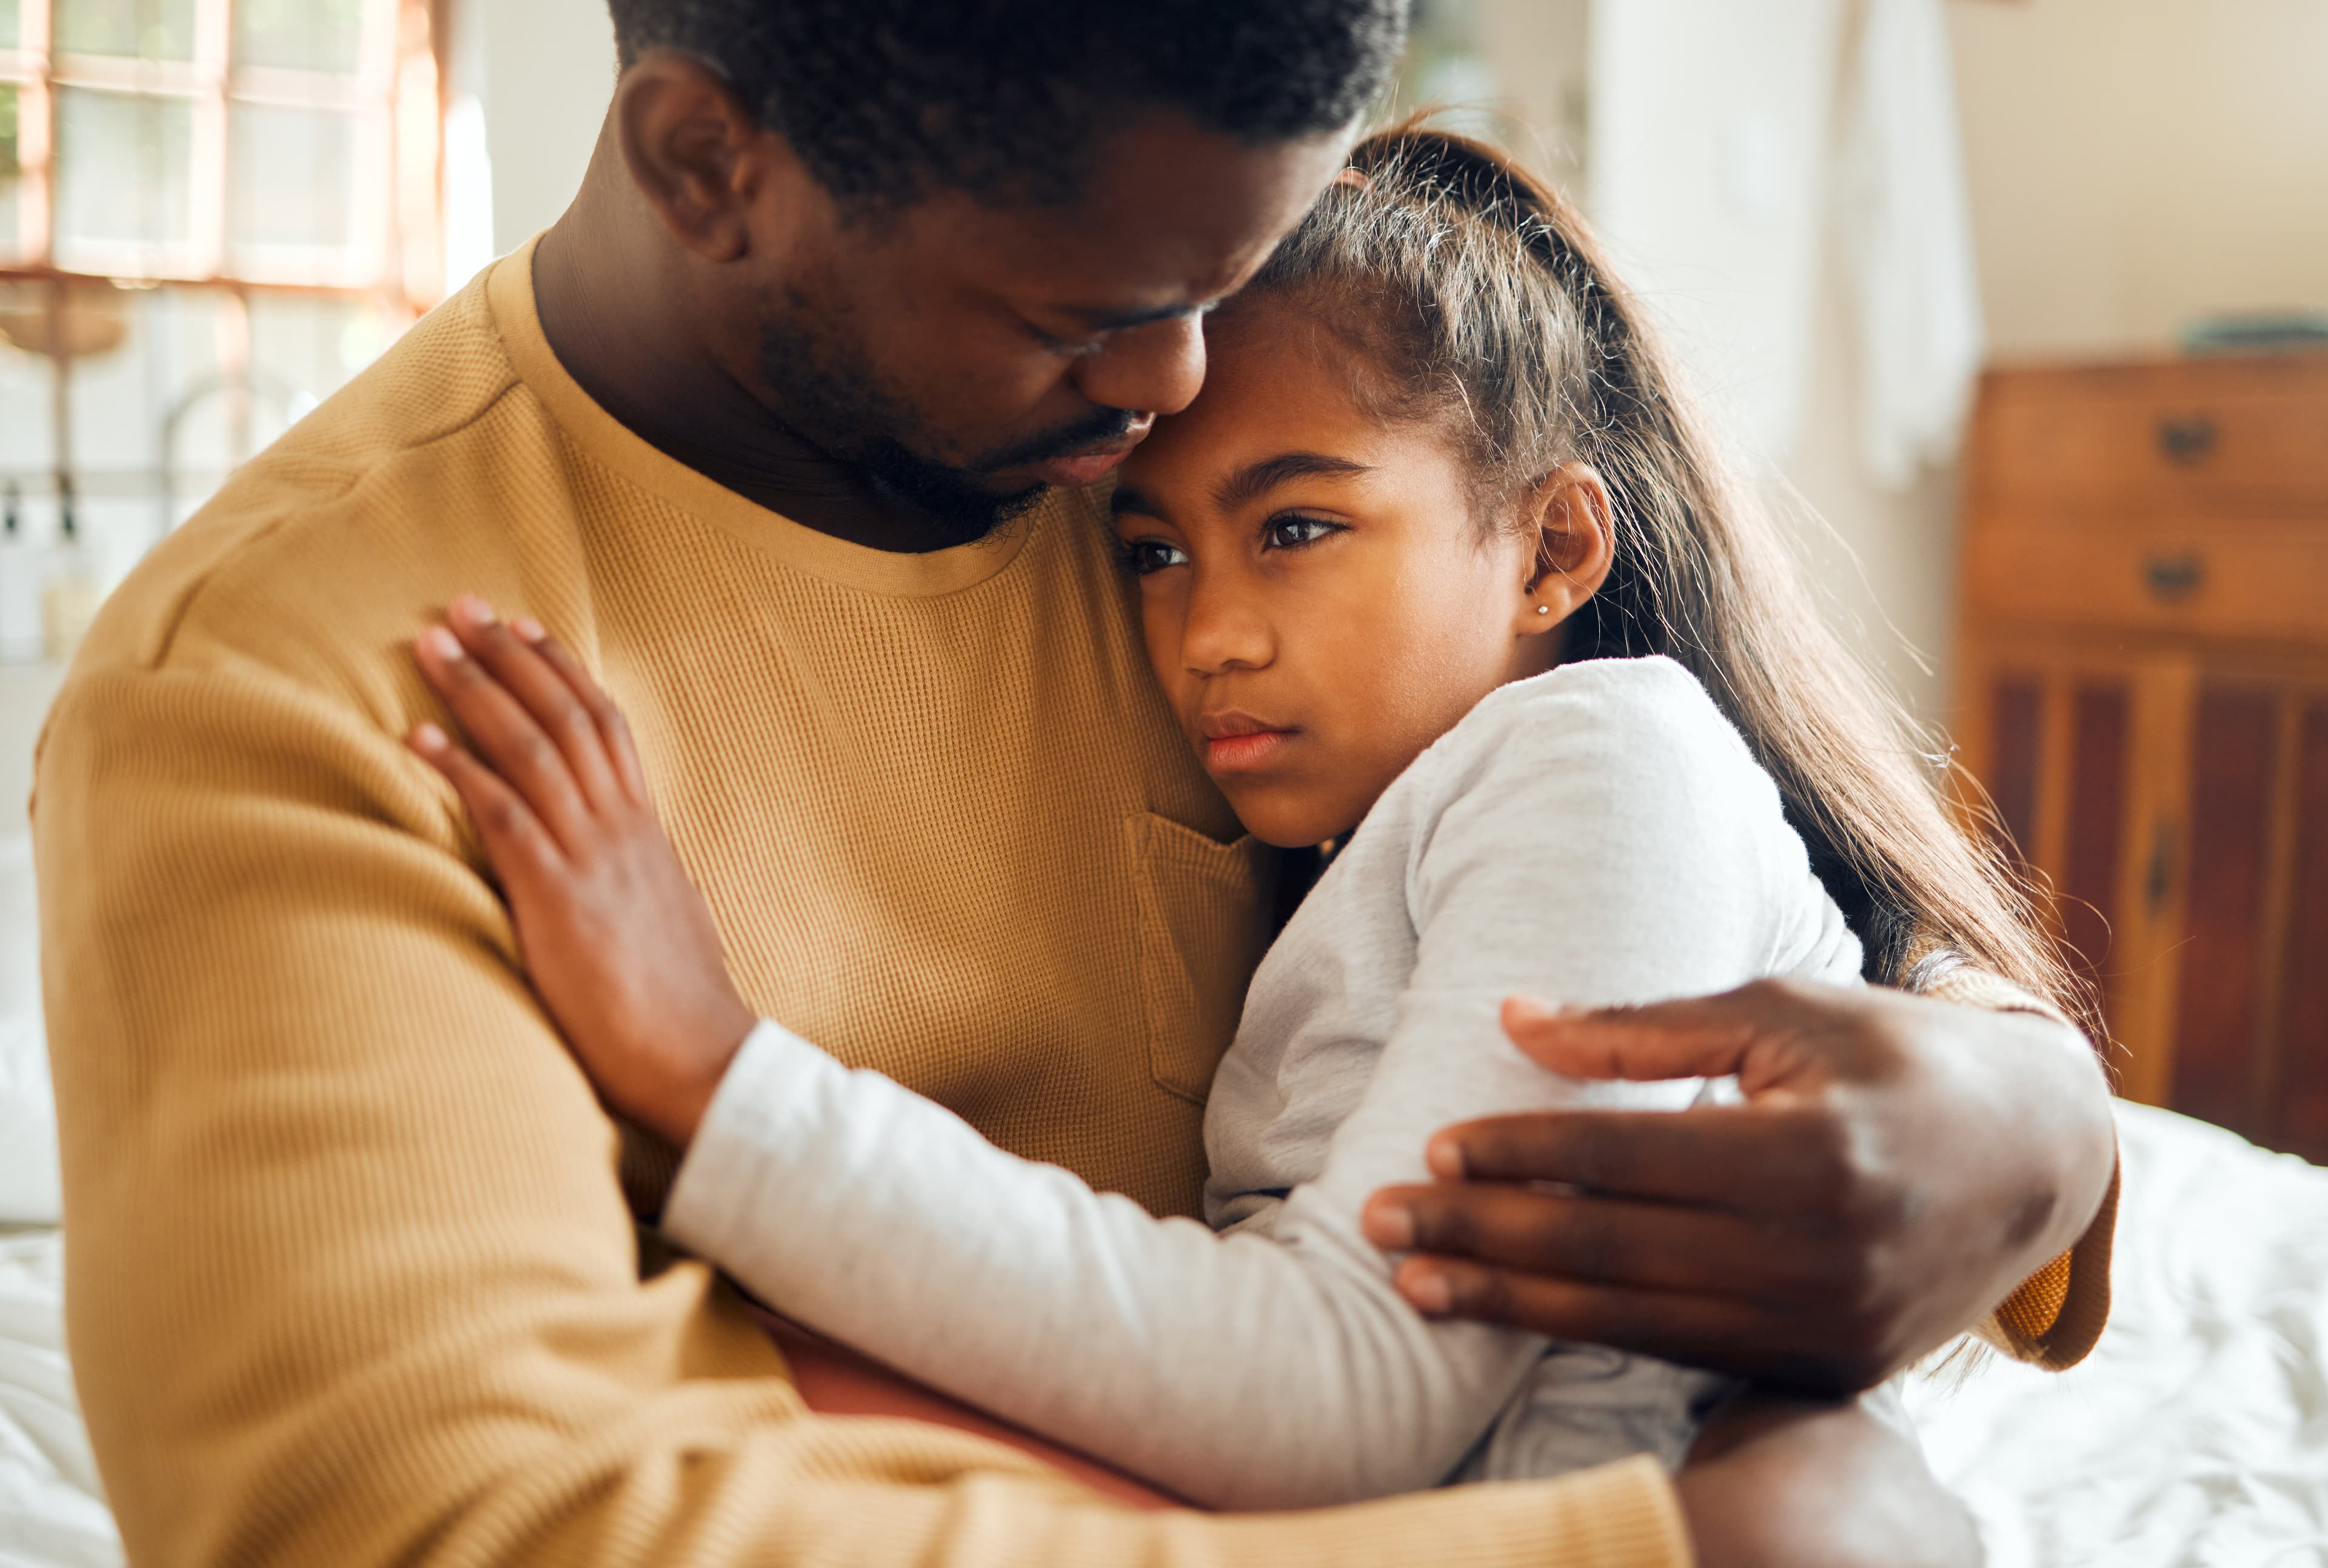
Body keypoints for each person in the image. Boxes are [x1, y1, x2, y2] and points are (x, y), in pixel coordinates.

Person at [28, 4, 2116, 1566]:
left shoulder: (1218, 419)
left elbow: (1726, 854)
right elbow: (474, 1526)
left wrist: (2034, 1121)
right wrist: (1687, 1544)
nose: (1175, 389)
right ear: (705, 166)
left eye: (1225, 281)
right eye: (1095, 318)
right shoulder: (283, 699)